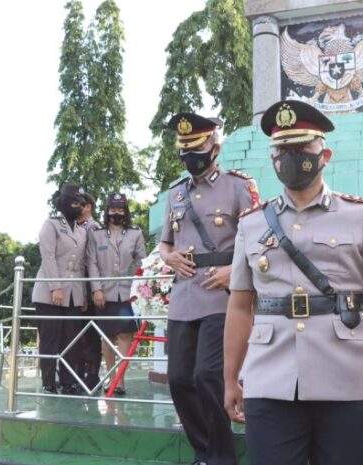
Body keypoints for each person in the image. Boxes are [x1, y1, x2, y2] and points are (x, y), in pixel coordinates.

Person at [223, 100, 363, 465]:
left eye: (302, 149)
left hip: (347, 375)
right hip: (270, 377)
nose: (291, 157)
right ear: (272, 159)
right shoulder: (251, 224)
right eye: (282, 150)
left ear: (324, 154)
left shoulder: (360, 216)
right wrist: (230, 378)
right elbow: (239, 305)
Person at [159, 112, 259, 465]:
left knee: (207, 376)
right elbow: (165, 245)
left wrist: (234, 271)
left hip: (223, 298)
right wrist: (168, 258)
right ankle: (204, 450)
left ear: (215, 147)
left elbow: (259, 241)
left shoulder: (238, 187)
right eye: (184, 151)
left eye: (197, 148)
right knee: (179, 379)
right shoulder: (175, 194)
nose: (190, 156)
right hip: (185, 296)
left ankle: (220, 457)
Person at [31, 185, 89, 395]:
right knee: (50, 339)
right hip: (49, 292)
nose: (78, 207)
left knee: (70, 340)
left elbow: (82, 263)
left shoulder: (82, 230)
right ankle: (48, 381)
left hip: (73, 293)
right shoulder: (51, 224)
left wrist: (82, 293)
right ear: (64, 204)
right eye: (74, 203)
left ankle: (67, 381)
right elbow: (48, 257)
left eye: (81, 204)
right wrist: (55, 286)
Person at [87, 193, 146, 396]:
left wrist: (135, 282)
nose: (117, 213)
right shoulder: (97, 234)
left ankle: (120, 380)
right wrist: (97, 289)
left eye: (121, 209)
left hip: (127, 293)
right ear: (107, 211)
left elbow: (142, 261)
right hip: (104, 292)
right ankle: (111, 377)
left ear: (126, 211)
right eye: (113, 209)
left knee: (125, 335)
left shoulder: (135, 234)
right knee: (107, 336)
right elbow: (92, 263)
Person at [76, 192, 103, 392]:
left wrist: (90, 290)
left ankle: (92, 375)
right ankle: (77, 373)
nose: (77, 207)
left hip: (88, 286)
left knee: (90, 333)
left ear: (89, 207)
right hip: (76, 286)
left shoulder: (92, 228)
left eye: (81, 204)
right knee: (77, 333)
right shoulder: (73, 226)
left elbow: (90, 261)